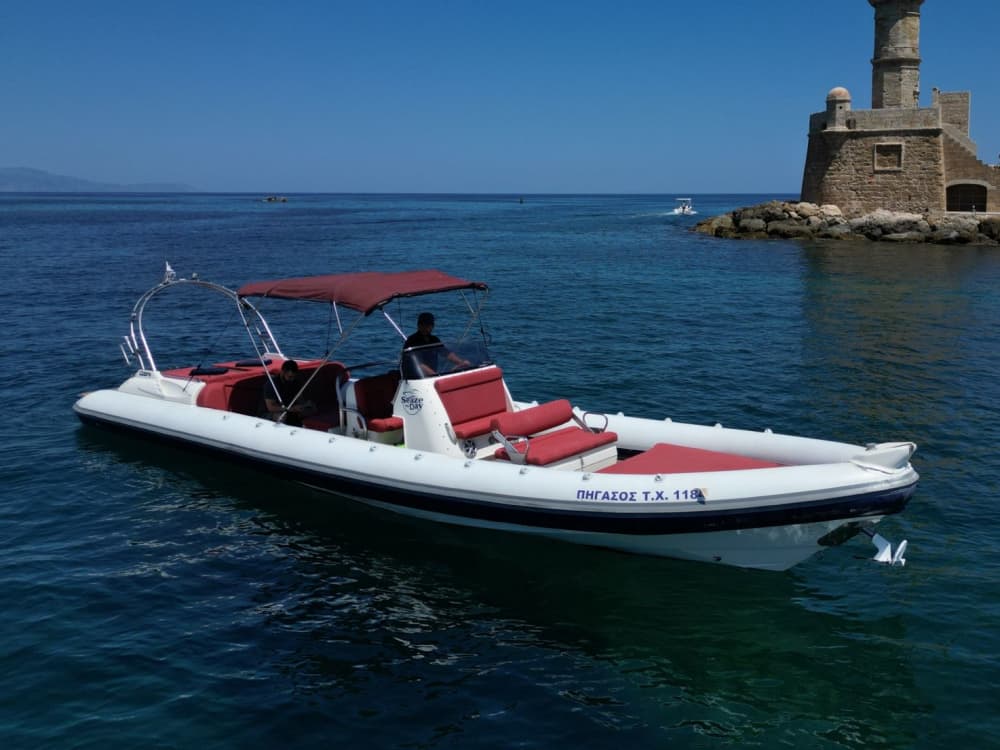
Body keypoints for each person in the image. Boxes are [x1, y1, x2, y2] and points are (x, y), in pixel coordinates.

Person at [402, 312, 470, 376]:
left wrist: (461, 362)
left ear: (432, 326)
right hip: (415, 378)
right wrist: (435, 375)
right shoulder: (411, 341)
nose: (425, 327)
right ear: (418, 325)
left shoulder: (434, 339)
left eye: (428, 325)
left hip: (431, 376)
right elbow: (419, 364)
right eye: (422, 324)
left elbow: (447, 354)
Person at [260, 360, 316, 425]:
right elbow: (271, 407)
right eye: (290, 377)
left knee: (312, 409)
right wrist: (291, 409)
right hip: (270, 412)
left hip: (288, 409)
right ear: (283, 372)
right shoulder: (272, 384)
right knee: (281, 417)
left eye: (294, 377)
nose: (292, 379)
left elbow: (300, 399)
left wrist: (305, 405)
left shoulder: (295, 382)